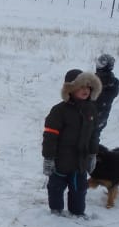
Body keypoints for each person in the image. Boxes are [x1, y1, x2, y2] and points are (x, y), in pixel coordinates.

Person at [42, 69, 102, 218]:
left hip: (80, 160)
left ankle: (77, 211)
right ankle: (56, 210)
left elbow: (94, 134)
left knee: (80, 188)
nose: (85, 90)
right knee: (56, 187)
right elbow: (50, 136)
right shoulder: (59, 111)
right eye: (81, 86)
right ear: (70, 88)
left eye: (88, 87)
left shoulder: (91, 110)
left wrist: (93, 154)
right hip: (61, 160)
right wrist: (49, 157)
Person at [94, 53, 119, 135]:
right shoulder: (110, 80)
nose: (98, 66)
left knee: (92, 136)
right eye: (98, 63)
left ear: (107, 66)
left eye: (101, 64)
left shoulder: (107, 81)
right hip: (99, 117)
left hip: (96, 117)